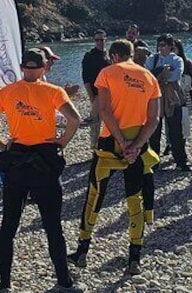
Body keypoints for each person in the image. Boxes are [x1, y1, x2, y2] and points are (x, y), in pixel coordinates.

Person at [0, 49, 83, 293]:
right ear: (44, 68)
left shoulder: (7, 91)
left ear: (23, 68)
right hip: (44, 160)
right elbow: (74, 119)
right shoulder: (54, 91)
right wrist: (62, 142)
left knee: (9, 225)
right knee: (52, 226)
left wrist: (2, 146)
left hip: (17, 162)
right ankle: (64, 283)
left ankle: (4, 285)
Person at [68, 39, 161, 276]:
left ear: (114, 56)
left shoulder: (107, 73)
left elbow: (104, 110)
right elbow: (154, 119)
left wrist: (121, 142)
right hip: (138, 142)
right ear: (131, 55)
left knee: (94, 195)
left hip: (111, 142)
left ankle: (82, 251)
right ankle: (134, 258)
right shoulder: (150, 78)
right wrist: (136, 145)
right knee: (135, 199)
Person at [145, 34, 189, 171]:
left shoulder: (177, 59)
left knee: (176, 130)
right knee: (154, 130)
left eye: (163, 45)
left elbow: (176, 75)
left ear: (170, 46)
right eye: (159, 45)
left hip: (172, 97)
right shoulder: (152, 58)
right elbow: (147, 76)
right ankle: (153, 160)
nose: (160, 48)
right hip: (155, 97)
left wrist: (160, 76)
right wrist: (164, 73)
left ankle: (180, 161)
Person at [80, 30, 110, 147]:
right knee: (95, 122)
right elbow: (85, 77)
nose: (99, 42)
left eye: (101, 40)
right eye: (97, 40)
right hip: (96, 93)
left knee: (109, 120)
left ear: (105, 40)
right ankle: (94, 147)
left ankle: (107, 145)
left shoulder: (109, 56)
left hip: (109, 93)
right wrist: (91, 96)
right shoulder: (89, 56)